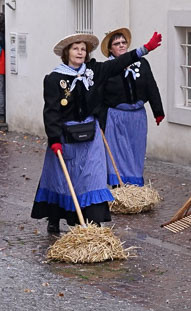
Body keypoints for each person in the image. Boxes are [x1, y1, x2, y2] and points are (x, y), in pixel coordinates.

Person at [31, 30, 162, 234]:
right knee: (62, 180)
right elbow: (51, 111)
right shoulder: (54, 78)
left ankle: (94, 221)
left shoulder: (94, 72)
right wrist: (54, 138)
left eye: (83, 49)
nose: (80, 52)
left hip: (90, 135)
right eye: (76, 49)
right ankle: (54, 218)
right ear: (66, 53)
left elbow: (119, 63)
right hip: (65, 137)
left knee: (93, 176)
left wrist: (144, 49)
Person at [99, 27, 165, 185]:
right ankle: (119, 186)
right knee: (119, 152)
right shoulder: (106, 69)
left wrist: (158, 111)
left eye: (124, 42)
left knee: (136, 151)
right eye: (117, 43)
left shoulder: (142, 64)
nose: (121, 45)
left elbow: (151, 86)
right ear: (110, 49)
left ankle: (135, 186)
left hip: (137, 117)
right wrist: (100, 121)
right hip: (116, 117)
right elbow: (99, 97)